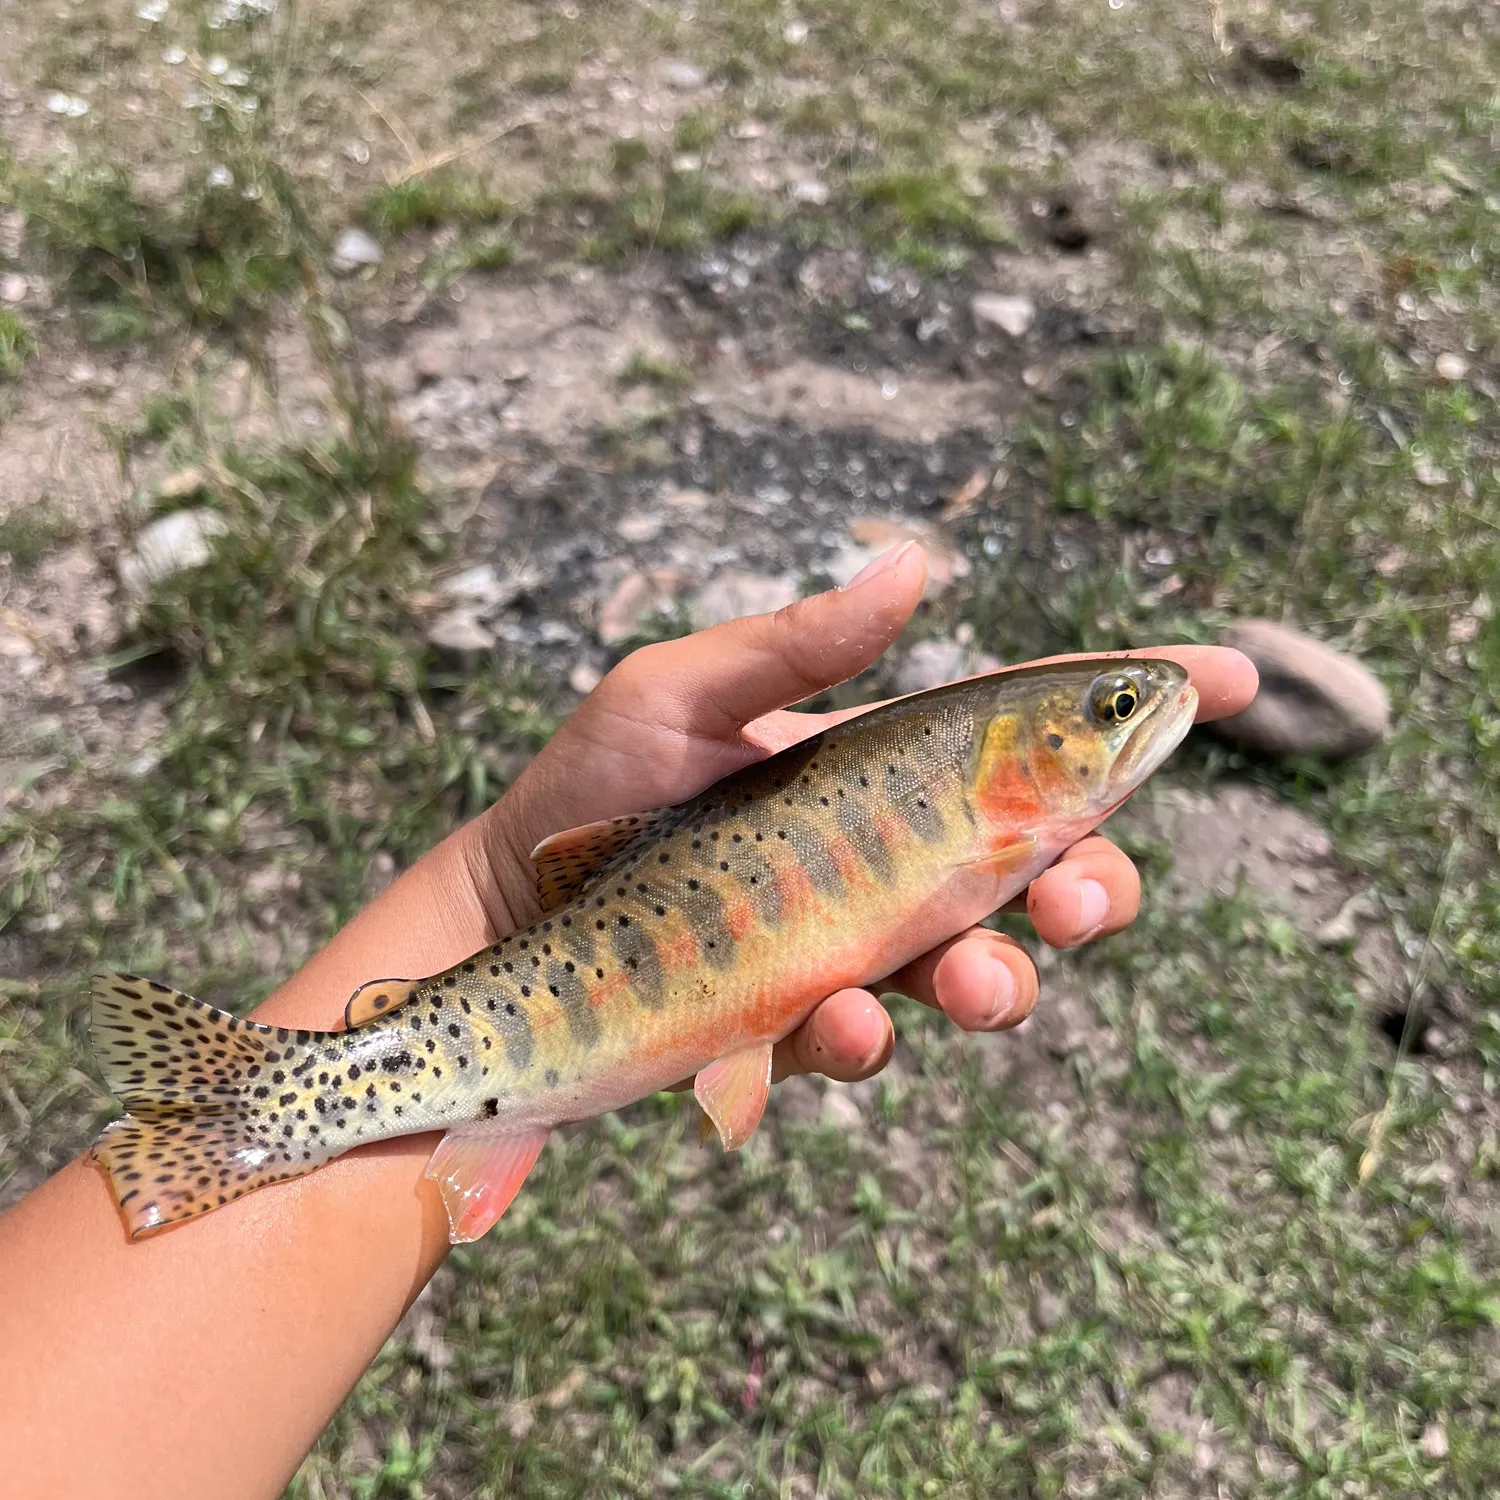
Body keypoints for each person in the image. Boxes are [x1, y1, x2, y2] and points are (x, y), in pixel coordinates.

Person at [0, 541, 1255, 1498]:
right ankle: (275, 1105)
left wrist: (499, 879)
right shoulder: (991, 816)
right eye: (1106, 715)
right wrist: (503, 878)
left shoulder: (1003, 817)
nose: (1134, 716)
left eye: (1112, 714)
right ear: (1010, 757)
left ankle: (275, 1103)